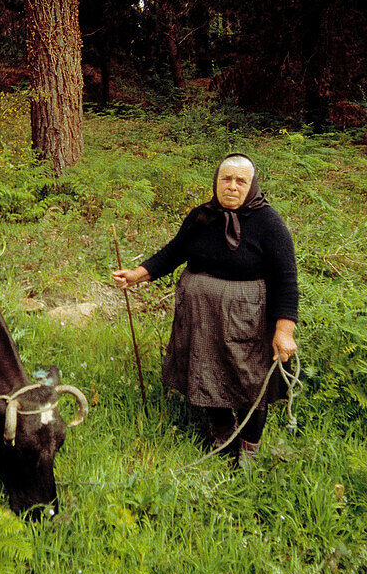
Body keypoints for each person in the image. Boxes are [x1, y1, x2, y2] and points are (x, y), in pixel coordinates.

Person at [112, 153, 298, 467]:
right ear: (216, 181)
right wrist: (136, 275)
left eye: (241, 181)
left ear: (252, 185)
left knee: (251, 379)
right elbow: (173, 252)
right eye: (226, 179)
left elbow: (286, 279)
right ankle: (222, 436)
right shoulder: (202, 216)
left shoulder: (269, 223)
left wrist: (284, 330)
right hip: (200, 314)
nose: (232, 186)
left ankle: (249, 450)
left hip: (248, 317)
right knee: (206, 370)